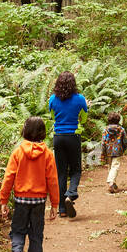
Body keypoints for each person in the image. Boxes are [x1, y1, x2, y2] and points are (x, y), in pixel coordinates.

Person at [0, 116, 60, 252]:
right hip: (39, 202)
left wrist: (3, 200)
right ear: (42, 133)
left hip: (21, 201)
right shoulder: (47, 154)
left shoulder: (18, 152)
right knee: (36, 237)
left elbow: (8, 177)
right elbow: (53, 180)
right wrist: (54, 204)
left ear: (25, 131)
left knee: (17, 231)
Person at [47, 71, 87, 218]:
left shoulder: (52, 99)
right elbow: (83, 119)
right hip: (73, 136)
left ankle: (62, 209)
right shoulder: (80, 99)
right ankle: (71, 194)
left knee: (61, 172)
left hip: (58, 137)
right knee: (76, 169)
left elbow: (52, 116)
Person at [101, 112, 127, 193]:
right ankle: (111, 182)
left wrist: (103, 152)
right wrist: (124, 148)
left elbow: (103, 142)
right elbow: (125, 141)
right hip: (117, 150)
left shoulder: (105, 129)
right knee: (115, 166)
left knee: (110, 167)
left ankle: (113, 183)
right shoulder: (121, 129)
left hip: (108, 150)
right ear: (118, 120)